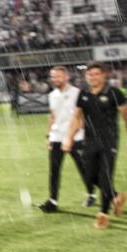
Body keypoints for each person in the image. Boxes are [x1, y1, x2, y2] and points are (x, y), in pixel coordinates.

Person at [63, 61, 127, 229]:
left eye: (97, 74)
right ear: (86, 77)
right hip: (89, 141)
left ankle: (103, 214)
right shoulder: (83, 94)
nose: (93, 77)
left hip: (109, 141)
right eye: (90, 75)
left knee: (105, 177)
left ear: (104, 75)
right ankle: (116, 196)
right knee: (89, 176)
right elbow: (77, 117)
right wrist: (69, 138)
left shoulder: (114, 93)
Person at [38, 66, 95, 212]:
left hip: (76, 137)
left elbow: (82, 117)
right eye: (53, 77)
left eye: (58, 76)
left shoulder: (77, 93)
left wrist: (76, 136)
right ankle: (53, 201)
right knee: (54, 170)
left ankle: (91, 194)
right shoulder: (52, 95)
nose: (55, 79)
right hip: (57, 137)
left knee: (83, 168)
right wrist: (48, 135)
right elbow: (52, 116)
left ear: (66, 77)